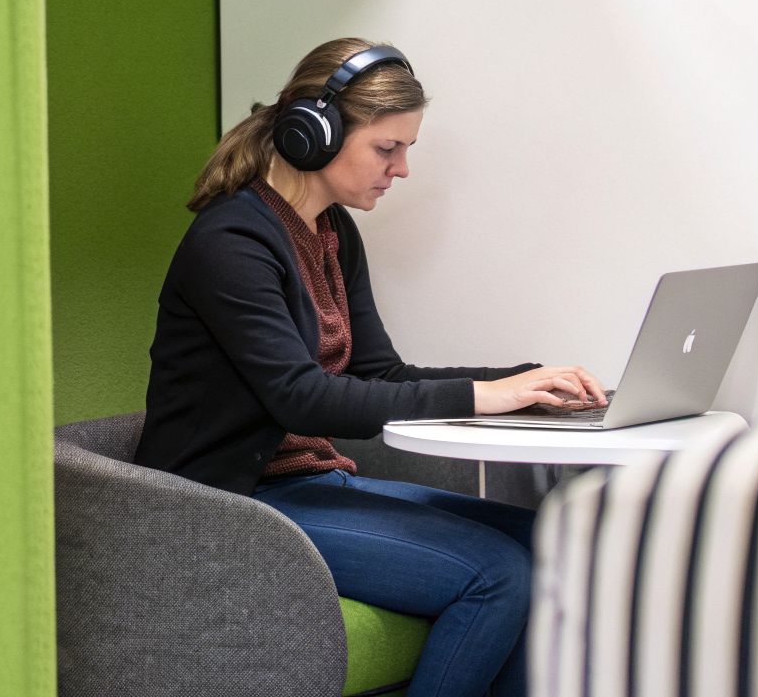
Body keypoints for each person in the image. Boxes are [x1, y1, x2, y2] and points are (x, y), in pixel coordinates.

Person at [134, 38, 607, 697]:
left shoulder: (331, 231)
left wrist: (527, 380)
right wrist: (486, 396)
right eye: (389, 149)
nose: (403, 169)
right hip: (232, 506)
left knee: (554, 540)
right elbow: (306, 400)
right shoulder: (231, 243)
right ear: (314, 135)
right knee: (496, 573)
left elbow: (379, 374)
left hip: (309, 485)